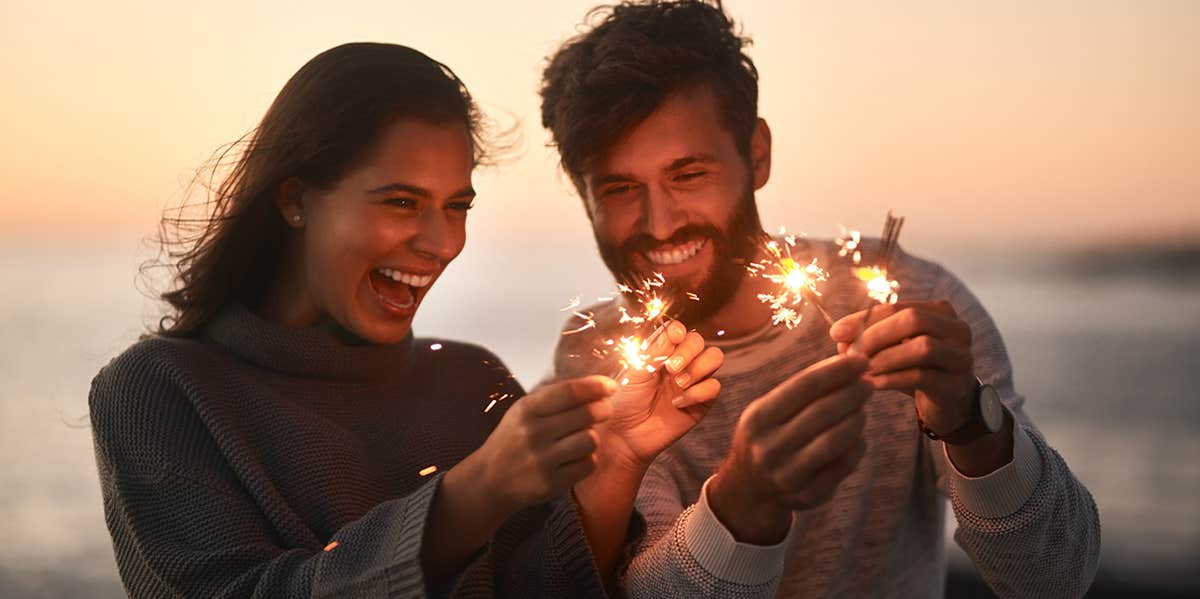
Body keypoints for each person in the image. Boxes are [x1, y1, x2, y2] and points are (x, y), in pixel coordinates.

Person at [89, 42, 723, 598]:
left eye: (456, 206)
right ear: (296, 200)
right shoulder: (161, 393)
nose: (440, 241)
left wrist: (615, 462)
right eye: (401, 201)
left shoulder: (474, 379)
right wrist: (468, 499)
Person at [538, 2, 1101, 597]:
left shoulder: (911, 302)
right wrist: (742, 505)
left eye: (688, 175)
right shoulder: (598, 363)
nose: (659, 223)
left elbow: (1057, 577)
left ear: (757, 154)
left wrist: (970, 422)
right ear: (583, 195)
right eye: (621, 188)